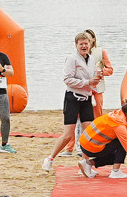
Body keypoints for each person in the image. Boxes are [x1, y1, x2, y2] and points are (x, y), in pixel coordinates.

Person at [44, 30, 105, 172]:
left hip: (87, 98)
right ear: (76, 45)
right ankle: (50, 158)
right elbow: (67, 79)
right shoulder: (72, 59)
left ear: (91, 44)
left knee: (88, 133)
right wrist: (87, 81)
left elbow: (90, 80)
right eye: (81, 44)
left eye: (86, 43)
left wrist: (96, 80)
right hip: (73, 98)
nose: (84, 46)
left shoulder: (91, 59)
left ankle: (85, 163)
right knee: (68, 135)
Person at [77, 98, 127, 179]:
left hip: (83, 145)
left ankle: (88, 163)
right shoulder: (119, 124)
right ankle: (115, 171)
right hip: (91, 148)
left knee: (118, 150)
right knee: (122, 143)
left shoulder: (116, 114)